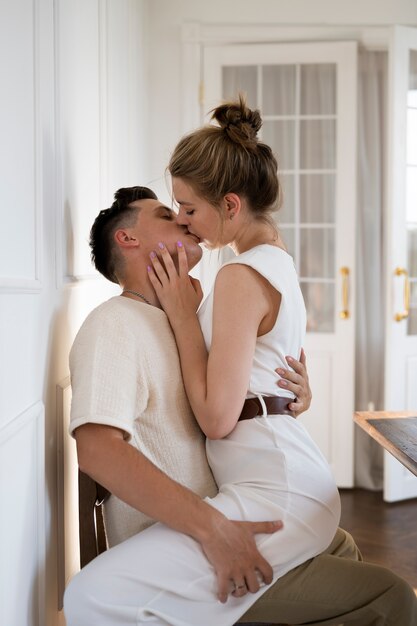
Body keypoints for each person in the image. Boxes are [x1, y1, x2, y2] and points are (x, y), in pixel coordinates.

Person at [63, 192, 417, 624]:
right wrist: (214, 529)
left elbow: (225, 401)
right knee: (389, 596)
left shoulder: (182, 321)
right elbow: (98, 449)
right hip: (184, 548)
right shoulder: (114, 324)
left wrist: (286, 399)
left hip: (230, 508)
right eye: (165, 215)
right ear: (128, 238)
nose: (183, 220)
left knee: (340, 544)